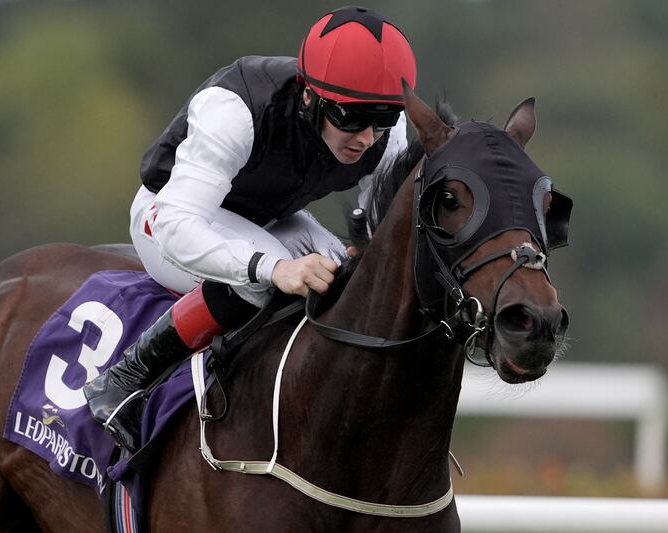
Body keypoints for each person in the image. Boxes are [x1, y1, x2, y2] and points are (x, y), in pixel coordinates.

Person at [83, 6, 417, 452]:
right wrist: (273, 269)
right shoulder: (235, 110)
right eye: (351, 117)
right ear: (308, 96)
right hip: (169, 217)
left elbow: (383, 238)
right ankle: (124, 379)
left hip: (268, 217)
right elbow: (179, 225)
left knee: (342, 282)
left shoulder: (386, 136)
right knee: (265, 285)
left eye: (383, 118)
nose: (366, 137)